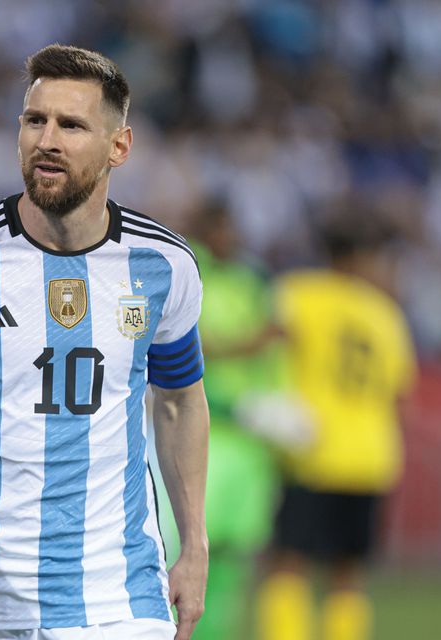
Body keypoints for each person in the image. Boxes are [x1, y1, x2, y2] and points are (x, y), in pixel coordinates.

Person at [0, 45, 209, 640]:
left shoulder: (163, 265)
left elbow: (180, 400)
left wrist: (195, 545)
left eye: (71, 125)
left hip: (119, 594)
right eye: (35, 120)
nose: (47, 139)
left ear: (119, 147)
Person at [255, 213, 417, 640]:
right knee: (349, 573)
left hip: (313, 452)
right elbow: (401, 394)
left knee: (289, 563)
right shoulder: (385, 313)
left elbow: (264, 343)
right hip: (371, 457)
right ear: (363, 258)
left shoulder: (298, 293)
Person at [181, 201, 288, 639]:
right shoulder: (187, 270)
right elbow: (183, 342)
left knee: (234, 558)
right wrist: (251, 342)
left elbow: (276, 349)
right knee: (187, 548)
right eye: (221, 227)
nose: (231, 236)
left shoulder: (252, 280)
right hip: (199, 433)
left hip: (246, 439)